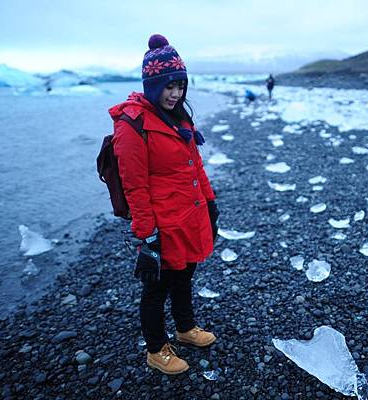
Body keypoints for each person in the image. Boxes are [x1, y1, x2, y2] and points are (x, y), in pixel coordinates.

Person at [108, 34, 219, 375]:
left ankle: (185, 329)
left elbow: (195, 165)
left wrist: (211, 203)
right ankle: (156, 349)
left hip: (190, 214)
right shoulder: (133, 125)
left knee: (186, 274)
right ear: (151, 84)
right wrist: (147, 235)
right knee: (156, 289)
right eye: (168, 86)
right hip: (163, 223)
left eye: (180, 85)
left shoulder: (180, 118)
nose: (175, 94)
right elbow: (135, 185)